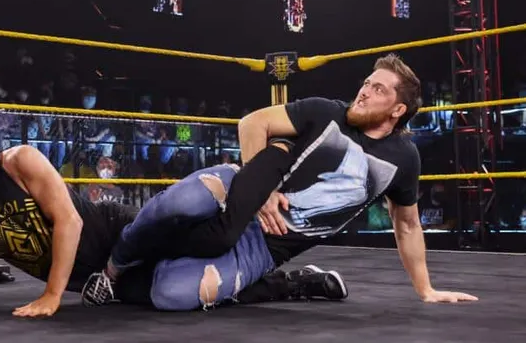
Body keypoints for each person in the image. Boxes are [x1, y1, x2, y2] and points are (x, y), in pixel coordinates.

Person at [83, 54, 479, 307]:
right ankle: (113, 270)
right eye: (366, 83)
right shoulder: (326, 112)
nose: (364, 92)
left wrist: (426, 289)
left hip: (265, 247)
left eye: (378, 89)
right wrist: (262, 190)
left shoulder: (403, 159)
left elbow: (407, 225)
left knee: (170, 294)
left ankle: (289, 284)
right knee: (181, 203)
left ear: (397, 110)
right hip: (238, 191)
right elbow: (253, 123)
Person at [0, 119, 345, 317]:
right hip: (96, 281)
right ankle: (295, 284)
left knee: (203, 239)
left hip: (119, 232)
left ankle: (254, 202)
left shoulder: (18, 162)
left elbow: (69, 222)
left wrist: (52, 295)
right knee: (184, 296)